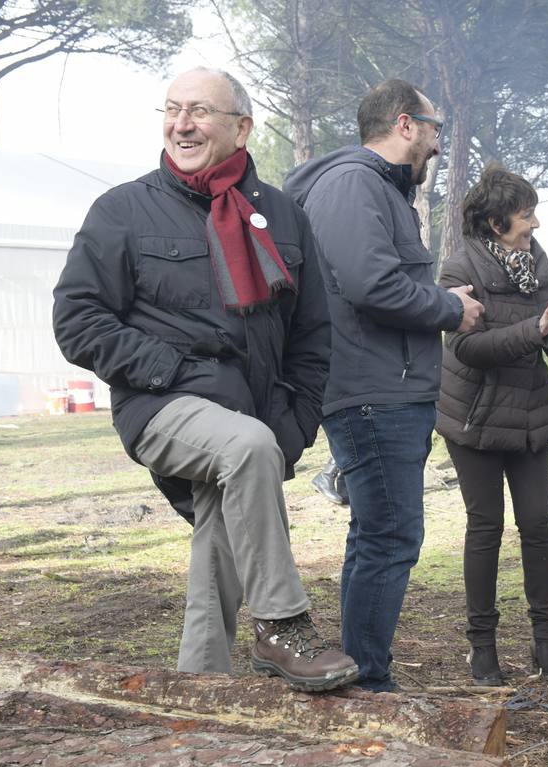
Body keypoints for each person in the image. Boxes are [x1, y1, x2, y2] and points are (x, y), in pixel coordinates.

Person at [52, 67, 357, 691]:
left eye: (200, 110)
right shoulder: (122, 210)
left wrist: (294, 426)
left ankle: (199, 690)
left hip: (258, 416)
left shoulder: (282, 214)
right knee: (244, 451)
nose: (181, 123)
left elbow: (313, 335)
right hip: (162, 404)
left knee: (222, 532)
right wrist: (169, 369)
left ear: (242, 127)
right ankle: (281, 625)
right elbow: (77, 320)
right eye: (172, 109)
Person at [284, 79, 483, 693]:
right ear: (405, 124)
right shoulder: (354, 184)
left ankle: (358, 670)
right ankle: (366, 682)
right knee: (390, 534)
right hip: (374, 391)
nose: (436, 142)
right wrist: (449, 308)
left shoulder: (380, 190)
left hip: (388, 388)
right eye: (435, 128)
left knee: (379, 531)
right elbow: (371, 284)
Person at [436, 165, 548, 686]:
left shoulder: (536, 263)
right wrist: (532, 329)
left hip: (530, 415)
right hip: (473, 416)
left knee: (538, 525)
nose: (535, 224)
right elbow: (466, 346)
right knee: (486, 526)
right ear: (497, 222)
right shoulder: (459, 269)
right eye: (527, 214)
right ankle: (482, 648)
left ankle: (545, 642)